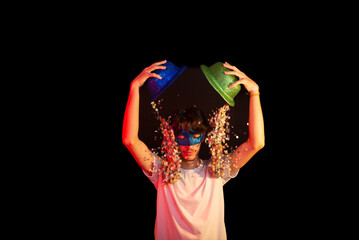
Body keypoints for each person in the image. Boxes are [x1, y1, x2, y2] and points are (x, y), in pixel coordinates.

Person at [122, 60, 265, 240]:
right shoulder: (162, 172)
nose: (189, 146)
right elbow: (130, 140)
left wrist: (254, 92)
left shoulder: (217, 171)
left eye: (195, 137)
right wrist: (134, 87)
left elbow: (256, 143)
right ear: (173, 139)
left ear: (203, 137)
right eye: (182, 138)